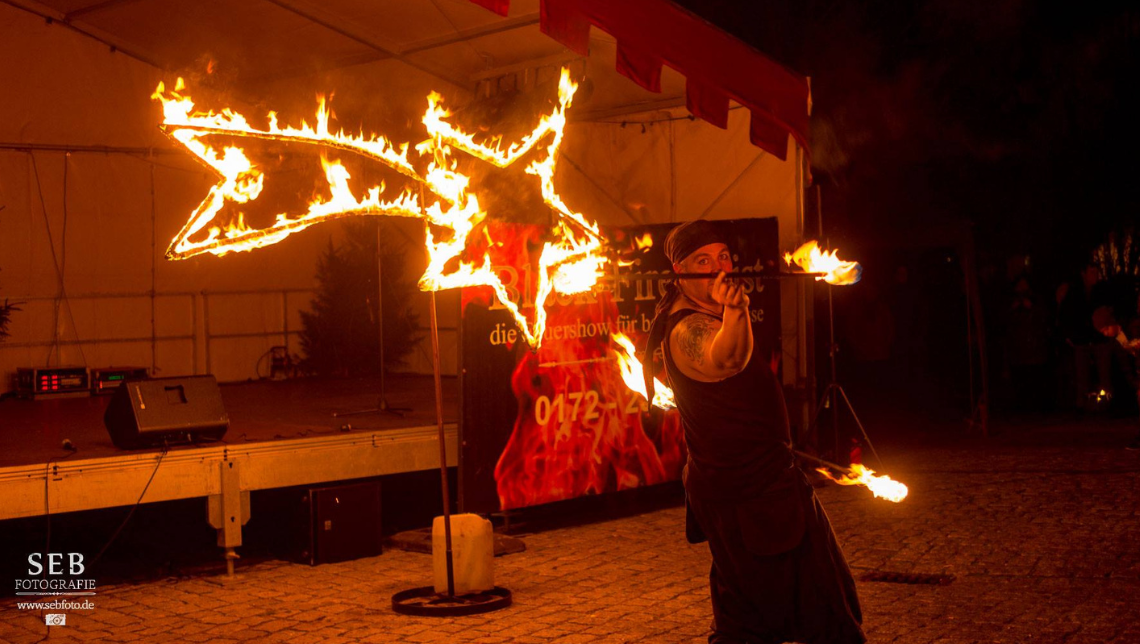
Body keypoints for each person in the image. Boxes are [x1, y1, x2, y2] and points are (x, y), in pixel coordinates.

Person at [643, 220, 865, 644]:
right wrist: (737, 311)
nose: (717, 266)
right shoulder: (687, 327)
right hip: (750, 497)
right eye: (702, 261)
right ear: (680, 272)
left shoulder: (713, 313)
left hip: (754, 489)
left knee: (748, 614)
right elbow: (727, 360)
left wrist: (732, 312)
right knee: (814, 611)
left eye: (723, 256)